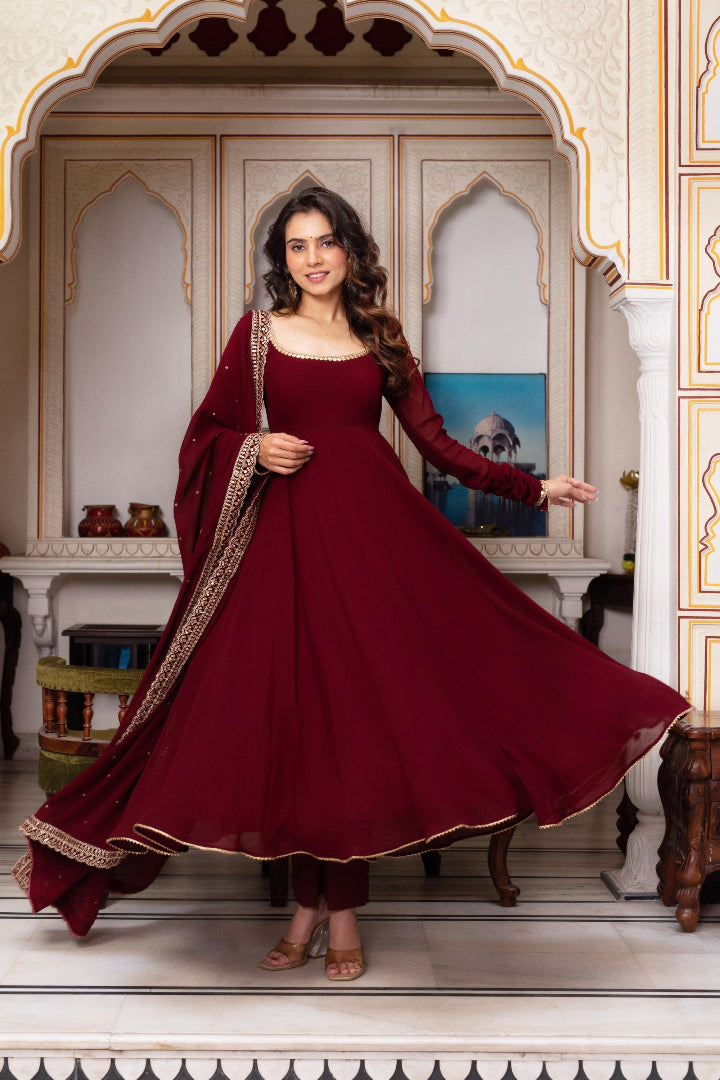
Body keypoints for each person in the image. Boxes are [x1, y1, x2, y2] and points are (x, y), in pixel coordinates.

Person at [13, 187, 689, 982]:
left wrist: (533, 487)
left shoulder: (380, 336)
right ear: (282, 259)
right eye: (297, 246)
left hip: (376, 554)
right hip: (280, 559)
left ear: (349, 249)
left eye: (326, 242)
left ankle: (336, 917)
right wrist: (255, 449)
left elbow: (439, 446)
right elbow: (205, 437)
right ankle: (313, 911)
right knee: (301, 735)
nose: (313, 258)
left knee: (357, 734)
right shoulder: (257, 337)